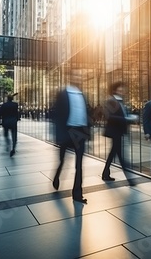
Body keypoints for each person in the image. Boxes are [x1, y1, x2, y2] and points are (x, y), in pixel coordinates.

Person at [52, 71, 91, 204]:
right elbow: (57, 115)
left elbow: (86, 114)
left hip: (80, 132)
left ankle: (77, 194)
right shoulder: (63, 94)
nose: (78, 77)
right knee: (62, 160)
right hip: (67, 131)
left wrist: (87, 133)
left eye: (80, 76)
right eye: (76, 75)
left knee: (79, 165)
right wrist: (58, 135)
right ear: (70, 78)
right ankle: (57, 176)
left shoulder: (82, 94)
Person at [101, 82, 136, 183]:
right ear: (115, 90)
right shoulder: (111, 101)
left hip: (119, 131)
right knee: (120, 155)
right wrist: (126, 118)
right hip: (114, 131)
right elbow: (109, 117)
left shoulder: (120, 101)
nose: (122, 91)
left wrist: (129, 118)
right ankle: (130, 179)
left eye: (123, 89)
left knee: (113, 153)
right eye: (120, 90)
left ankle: (105, 173)